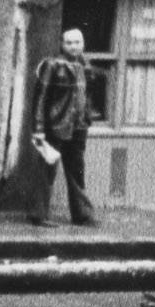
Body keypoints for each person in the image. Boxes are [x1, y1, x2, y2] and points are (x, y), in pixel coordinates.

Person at [30, 25, 101, 227]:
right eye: (68, 42)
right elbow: (40, 98)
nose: (73, 46)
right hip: (55, 126)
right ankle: (38, 214)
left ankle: (82, 214)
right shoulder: (51, 65)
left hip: (78, 128)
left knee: (77, 171)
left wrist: (87, 118)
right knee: (47, 171)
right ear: (61, 44)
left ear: (83, 43)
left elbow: (87, 96)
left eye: (77, 42)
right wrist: (38, 129)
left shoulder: (86, 66)